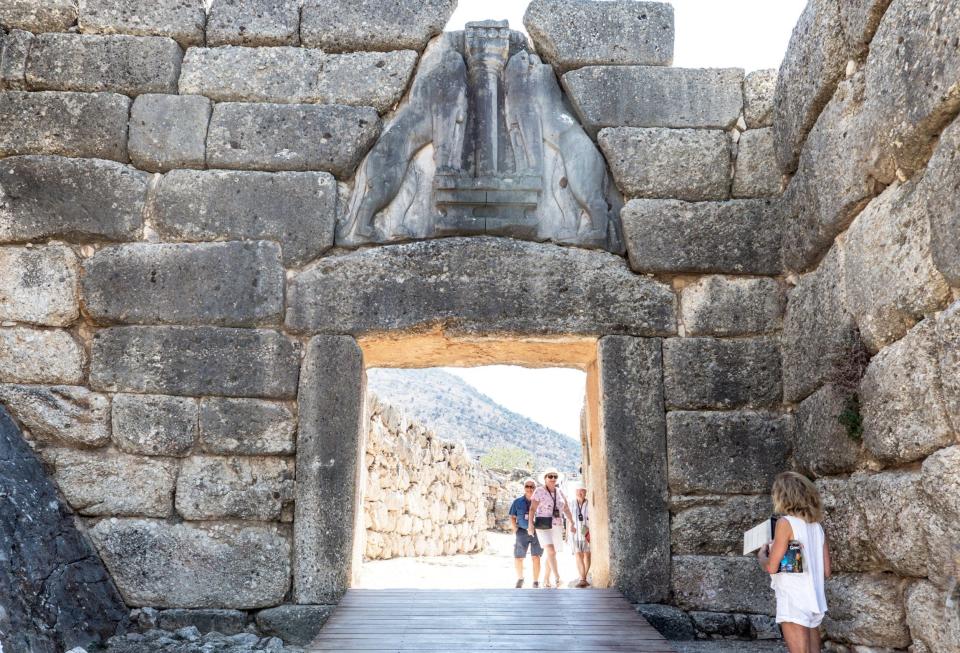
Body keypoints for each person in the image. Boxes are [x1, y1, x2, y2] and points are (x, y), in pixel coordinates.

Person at [758, 472, 831, 653]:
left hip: (793, 598)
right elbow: (827, 571)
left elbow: (771, 567)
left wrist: (761, 553)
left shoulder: (785, 523)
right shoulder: (816, 526)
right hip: (814, 599)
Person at [527, 467, 574, 588]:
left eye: (555, 476)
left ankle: (546, 579)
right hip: (543, 525)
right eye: (550, 476)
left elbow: (566, 508)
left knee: (551, 553)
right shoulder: (539, 491)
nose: (553, 479)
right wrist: (530, 524)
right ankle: (558, 578)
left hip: (557, 525)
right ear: (545, 478)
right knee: (551, 550)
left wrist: (572, 522)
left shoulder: (559, 492)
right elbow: (532, 509)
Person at [508, 478, 542, 588]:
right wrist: (515, 529)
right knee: (519, 557)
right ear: (524, 488)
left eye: (532, 486)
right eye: (527, 486)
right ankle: (520, 578)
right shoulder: (517, 502)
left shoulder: (539, 501)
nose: (529, 488)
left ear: (535, 488)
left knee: (536, 557)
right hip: (522, 531)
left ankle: (536, 581)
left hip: (537, 532)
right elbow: (512, 516)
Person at [570, 485, 591, 588]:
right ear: (575, 493)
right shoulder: (571, 503)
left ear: (585, 493)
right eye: (578, 491)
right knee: (578, 554)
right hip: (575, 533)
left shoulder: (589, 503)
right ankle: (582, 579)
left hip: (587, 532)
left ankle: (584, 578)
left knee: (587, 554)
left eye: (582, 491)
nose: (580, 493)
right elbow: (567, 518)